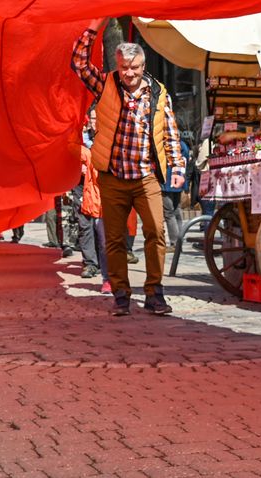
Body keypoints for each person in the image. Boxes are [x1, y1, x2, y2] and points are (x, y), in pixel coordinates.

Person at [72, 21, 186, 316]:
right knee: (114, 238)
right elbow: (80, 64)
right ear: (118, 65)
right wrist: (94, 28)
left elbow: (169, 131)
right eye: (124, 67)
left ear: (143, 65)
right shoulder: (107, 83)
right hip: (112, 176)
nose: (129, 73)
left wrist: (177, 165)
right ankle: (121, 294)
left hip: (146, 176)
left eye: (134, 68)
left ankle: (154, 292)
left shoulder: (158, 93)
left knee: (156, 233)